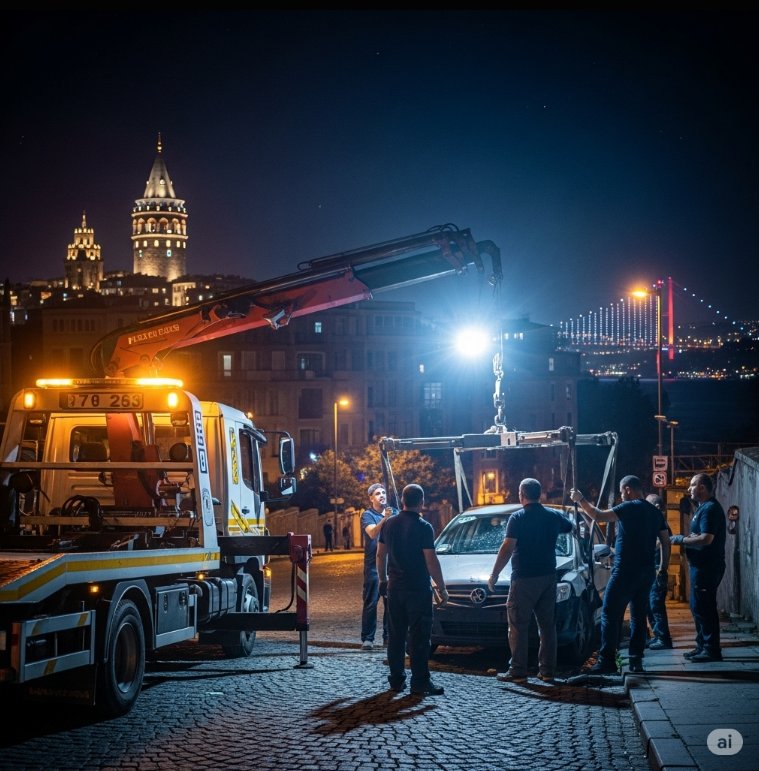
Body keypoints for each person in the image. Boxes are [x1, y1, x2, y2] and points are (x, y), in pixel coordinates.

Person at [570, 475, 670, 674]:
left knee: (610, 612)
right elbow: (666, 543)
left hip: (625, 570)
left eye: (622, 492)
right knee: (638, 616)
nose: (622, 496)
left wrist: (580, 499)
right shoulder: (655, 512)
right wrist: (663, 569)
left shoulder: (628, 507)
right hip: (647, 572)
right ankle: (636, 660)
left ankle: (607, 660)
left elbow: (598, 515)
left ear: (628, 489)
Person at [487, 478, 574, 684]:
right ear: (540, 494)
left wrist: (495, 574)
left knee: (518, 626)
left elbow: (507, 547)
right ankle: (547, 671)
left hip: (524, 578)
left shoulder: (517, 518)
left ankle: (518, 670)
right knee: (547, 626)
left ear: (521, 494)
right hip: (548, 577)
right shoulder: (553, 516)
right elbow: (569, 527)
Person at [376, 483, 449, 696]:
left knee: (396, 636)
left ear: (402, 502)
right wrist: (441, 588)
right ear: (422, 502)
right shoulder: (424, 527)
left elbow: (381, 555)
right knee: (419, 638)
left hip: (395, 588)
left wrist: (383, 579)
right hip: (418, 589)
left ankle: (396, 680)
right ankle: (420, 682)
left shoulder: (388, 525)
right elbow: (431, 560)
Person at [670, 473, 727, 663]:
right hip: (700, 567)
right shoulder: (702, 508)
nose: (689, 489)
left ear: (702, 487)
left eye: (692, 485)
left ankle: (711, 649)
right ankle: (702, 645)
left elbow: (706, 539)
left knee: (705, 607)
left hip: (707, 567)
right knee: (697, 607)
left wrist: (681, 540)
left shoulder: (710, 509)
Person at [360, 483, 394, 650]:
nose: (382, 495)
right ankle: (368, 638)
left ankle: (389, 637)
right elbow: (372, 533)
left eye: (383, 492)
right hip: (373, 566)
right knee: (371, 602)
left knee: (391, 603)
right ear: (371, 498)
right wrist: (385, 519)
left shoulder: (394, 512)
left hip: (392, 565)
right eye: (378, 493)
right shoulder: (367, 515)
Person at [645, 494, 673, 650]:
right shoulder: (654, 522)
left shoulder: (661, 523)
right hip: (652, 571)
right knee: (651, 605)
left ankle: (663, 639)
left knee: (656, 605)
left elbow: (665, 543)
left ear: (656, 507)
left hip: (658, 571)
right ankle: (658, 636)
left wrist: (662, 569)